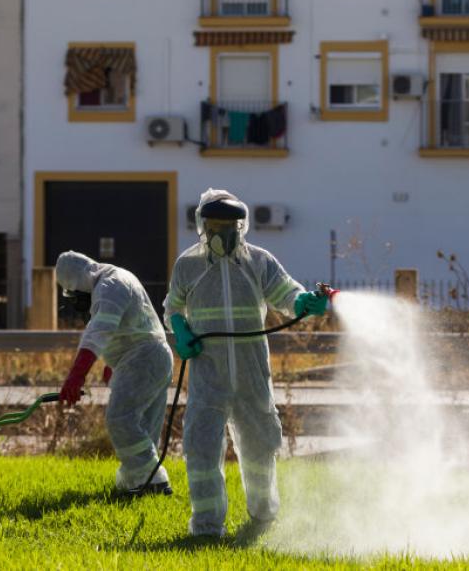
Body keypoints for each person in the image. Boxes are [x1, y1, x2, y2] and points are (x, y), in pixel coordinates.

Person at [164, 188, 328, 537]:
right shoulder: (188, 264)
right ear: (203, 226)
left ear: (241, 226)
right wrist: (180, 328)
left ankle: (264, 516)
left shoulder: (258, 261)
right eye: (214, 224)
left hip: (252, 372)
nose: (221, 231)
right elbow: (173, 306)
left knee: (259, 446)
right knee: (202, 448)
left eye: (228, 224)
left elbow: (285, 292)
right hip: (209, 373)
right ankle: (207, 526)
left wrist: (303, 303)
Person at [56, 250, 174, 496]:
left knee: (121, 419)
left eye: (76, 293)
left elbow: (99, 331)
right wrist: (112, 366)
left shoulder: (110, 286)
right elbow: (129, 325)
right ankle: (137, 483)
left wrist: (76, 376)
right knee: (143, 427)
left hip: (144, 359)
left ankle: (154, 481)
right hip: (148, 359)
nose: (77, 301)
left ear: (83, 279)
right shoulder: (113, 280)